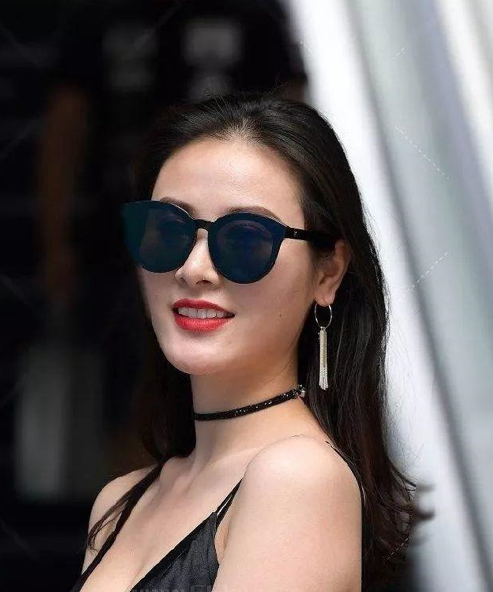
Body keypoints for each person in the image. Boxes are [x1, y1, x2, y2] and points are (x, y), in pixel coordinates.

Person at [69, 91, 429, 592]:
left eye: (244, 239)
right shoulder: (120, 502)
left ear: (328, 271)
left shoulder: (299, 478)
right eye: (167, 230)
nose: (194, 269)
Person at [36, 0, 308, 475]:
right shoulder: (98, 14)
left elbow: (297, 127)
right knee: (135, 398)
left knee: (237, 390)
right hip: (124, 245)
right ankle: (152, 509)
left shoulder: (253, 13)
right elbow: (65, 126)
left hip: (240, 240)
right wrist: (55, 244)